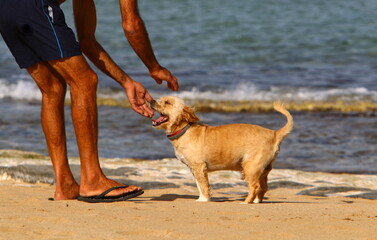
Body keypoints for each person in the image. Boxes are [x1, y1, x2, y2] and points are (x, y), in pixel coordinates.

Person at [0, 0, 179, 202]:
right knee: (84, 81)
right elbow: (132, 25)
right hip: (34, 6)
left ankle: (65, 184)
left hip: (6, 9)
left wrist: (126, 82)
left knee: (53, 88)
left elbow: (86, 41)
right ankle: (92, 180)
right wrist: (154, 67)